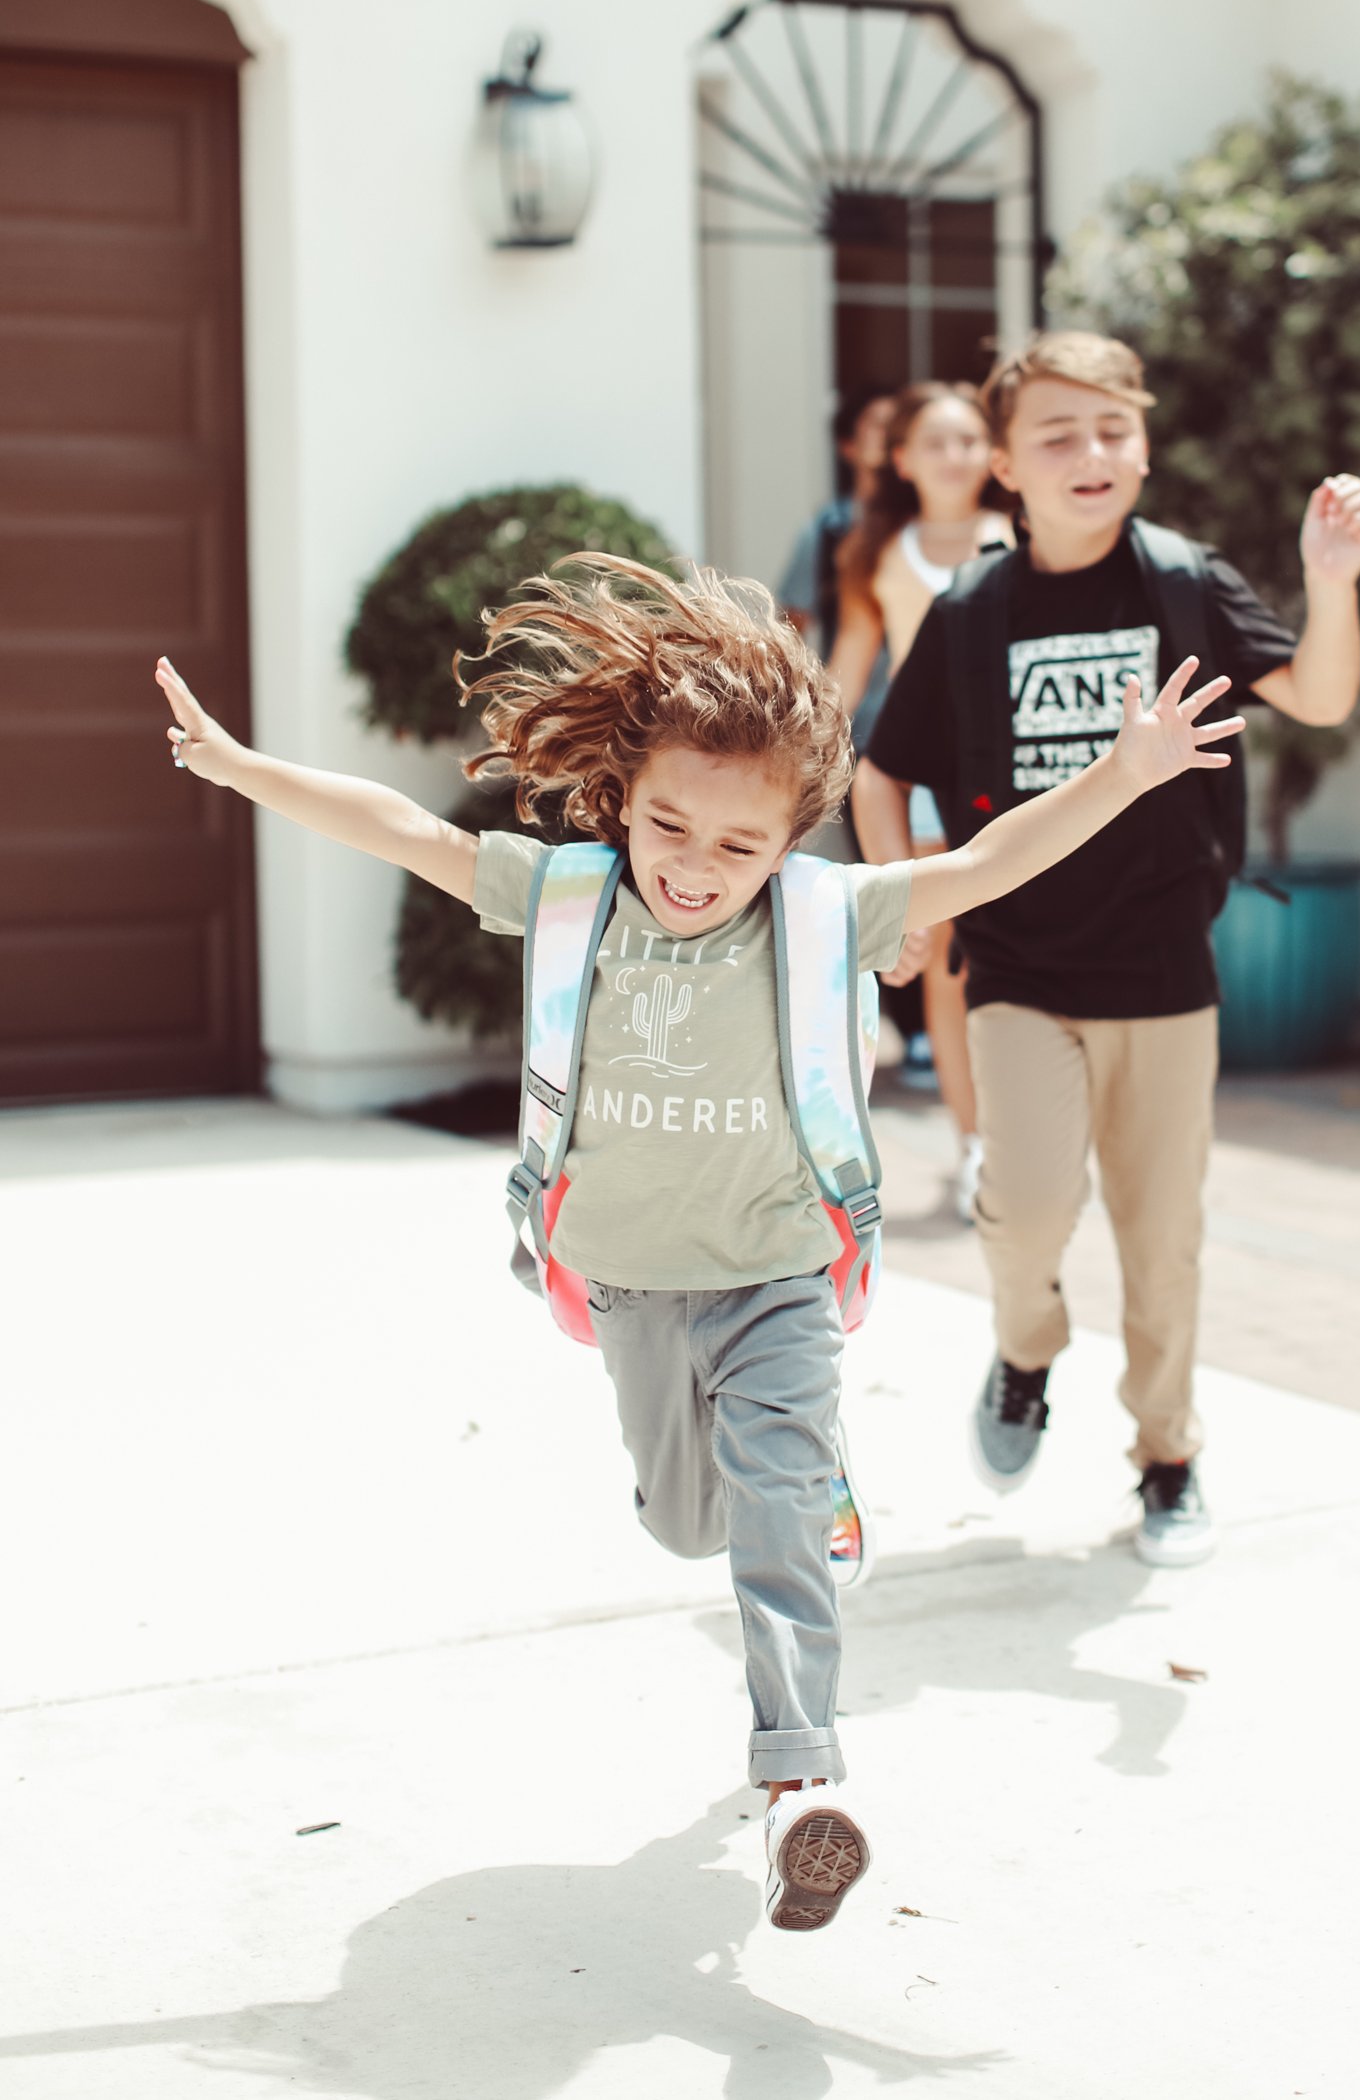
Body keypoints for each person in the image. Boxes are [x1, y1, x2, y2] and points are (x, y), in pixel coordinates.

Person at [154, 550, 1243, 1928]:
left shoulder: (821, 913)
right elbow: (406, 832)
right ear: (622, 802)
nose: (697, 869)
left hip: (777, 1276)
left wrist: (1126, 773)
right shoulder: (567, 900)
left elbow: (982, 859)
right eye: (671, 829)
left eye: (741, 846)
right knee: (684, 1524)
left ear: (791, 840)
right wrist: (244, 768)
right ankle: (778, 1505)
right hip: (628, 1281)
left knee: (774, 1522)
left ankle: (804, 1782)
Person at [853, 331, 1360, 1570]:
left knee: (1159, 1236)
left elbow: (1315, 692)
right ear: (1003, 468)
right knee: (1023, 1211)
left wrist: (1331, 577)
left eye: (1110, 429)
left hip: (1161, 974)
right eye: (1055, 434)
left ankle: (1166, 1455)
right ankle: (1026, 1351)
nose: (1089, 454)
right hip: (1020, 970)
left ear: (1140, 445)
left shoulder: (1186, 585)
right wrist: (902, 904)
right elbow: (883, 770)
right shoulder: (971, 610)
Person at [827, 382, 1012, 1220]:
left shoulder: (1025, 537)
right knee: (945, 960)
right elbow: (845, 676)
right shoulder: (877, 554)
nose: (954, 456)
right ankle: (975, 1146)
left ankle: (1026, 1138)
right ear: (901, 459)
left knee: (1020, 955)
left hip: (1016, 776)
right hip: (925, 777)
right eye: (935, 443)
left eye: (969, 439)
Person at [777, 386, 896, 756]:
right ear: (848, 445)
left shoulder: (930, 532)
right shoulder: (827, 532)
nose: (892, 434)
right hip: (854, 729)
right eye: (879, 424)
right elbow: (790, 627)